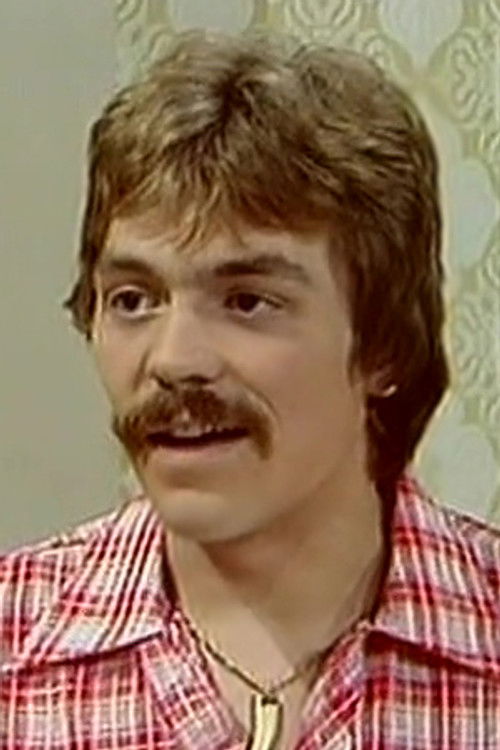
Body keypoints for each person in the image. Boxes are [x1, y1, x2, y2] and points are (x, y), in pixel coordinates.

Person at [1, 30, 498, 750]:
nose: (174, 361)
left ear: (384, 344)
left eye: (247, 302)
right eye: (134, 300)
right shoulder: (17, 649)